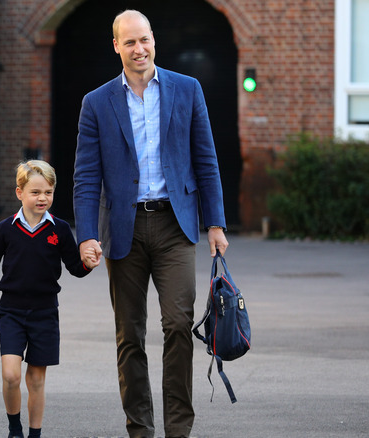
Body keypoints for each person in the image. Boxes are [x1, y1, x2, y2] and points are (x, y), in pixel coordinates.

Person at [73, 9, 230, 438]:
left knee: (178, 324)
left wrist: (215, 222)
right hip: (122, 229)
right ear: (116, 46)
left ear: (153, 41)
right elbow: (86, 176)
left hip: (175, 226)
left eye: (145, 40)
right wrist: (86, 235)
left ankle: (178, 428)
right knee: (130, 335)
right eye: (130, 42)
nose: (139, 49)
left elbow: (206, 160)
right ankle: (140, 428)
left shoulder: (187, 89)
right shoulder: (96, 102)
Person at [0, 160, 99, 438]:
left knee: (36, 380)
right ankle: (15, 429)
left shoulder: (60, 229)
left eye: (48, 192)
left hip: (45, 314)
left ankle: (34, 434)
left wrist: (88, 263)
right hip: (12, 313)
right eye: (35, 192)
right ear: (20, 193)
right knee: (11, 375)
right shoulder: (6, 228)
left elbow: (75, 268)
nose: (42, 198)